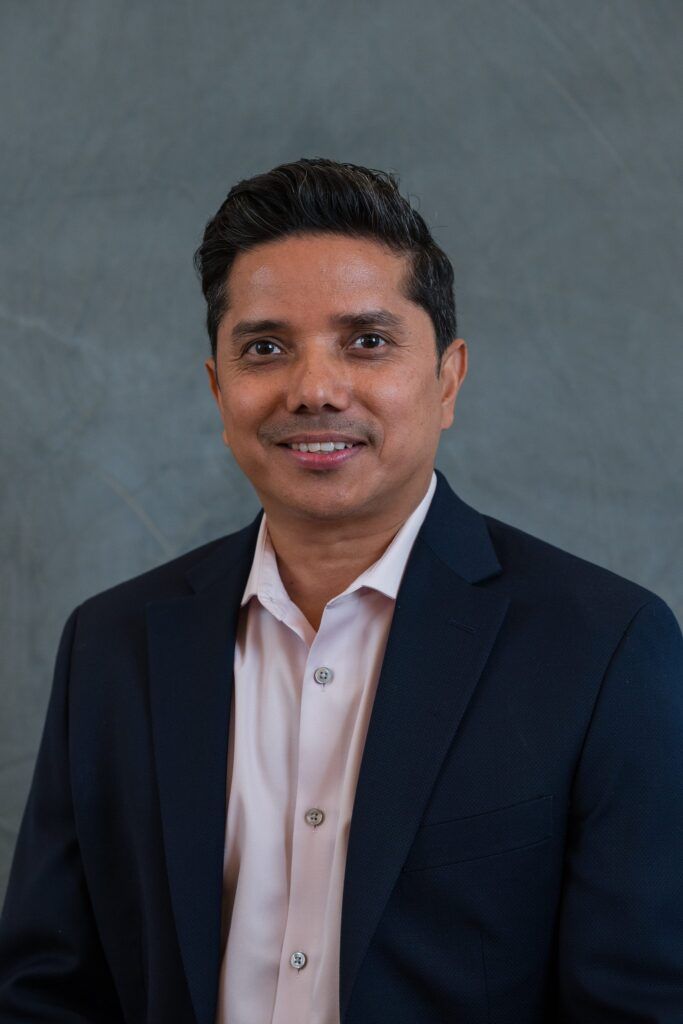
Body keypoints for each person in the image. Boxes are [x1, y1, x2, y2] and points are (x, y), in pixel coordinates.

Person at [0, 157, 681, 1024]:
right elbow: (45, 992)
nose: (314, 390)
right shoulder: (113, 643)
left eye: (366, 342)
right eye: (264, 348)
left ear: (447, 379)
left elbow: (640, 1004)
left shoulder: (601, 646)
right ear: (217, 387)